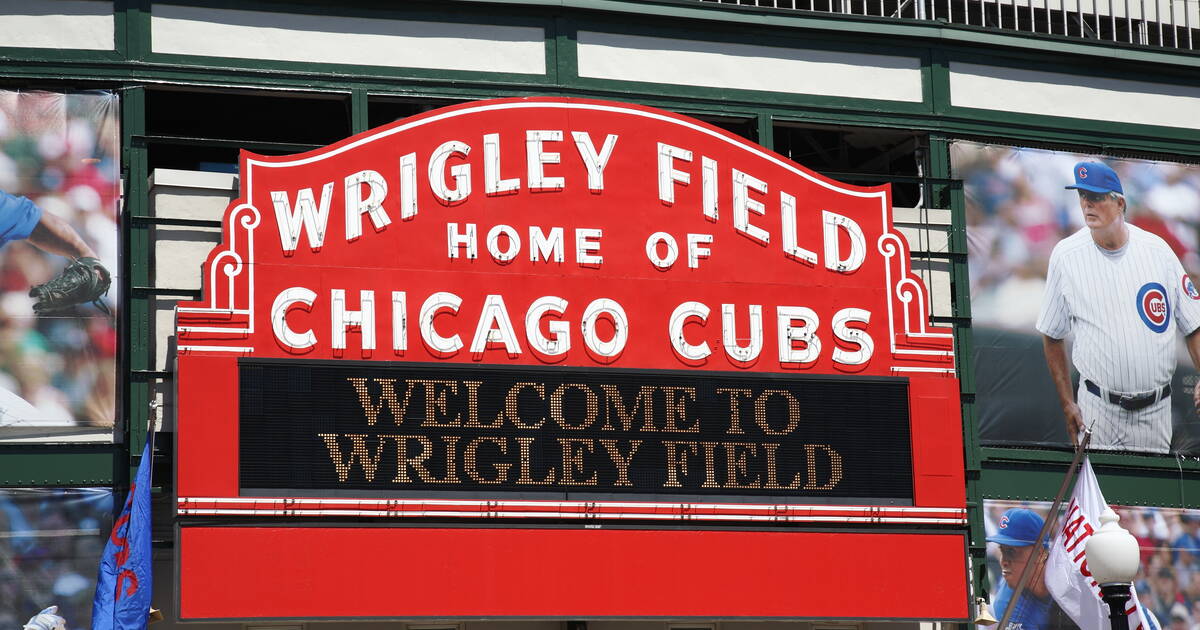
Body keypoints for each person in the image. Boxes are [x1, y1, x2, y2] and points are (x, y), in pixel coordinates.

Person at [1037, 161, 1200, 454]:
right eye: (1083, 196)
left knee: (1150, 497)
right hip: (1098, 408)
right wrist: (1066, 403)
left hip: (1155, 409)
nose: (1087, 204)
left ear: (1120, 203)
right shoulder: (1066, 254)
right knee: (1101, 498)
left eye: (1097, 196)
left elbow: (1193, 323)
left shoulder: (1157, 251)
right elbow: (1051, 334)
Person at [989, 508, 1053, 630]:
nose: (1003, 562)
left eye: (1011, 552)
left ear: (1039, 554)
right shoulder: (1007, 602)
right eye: (1002, 551)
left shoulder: (1066, 581)